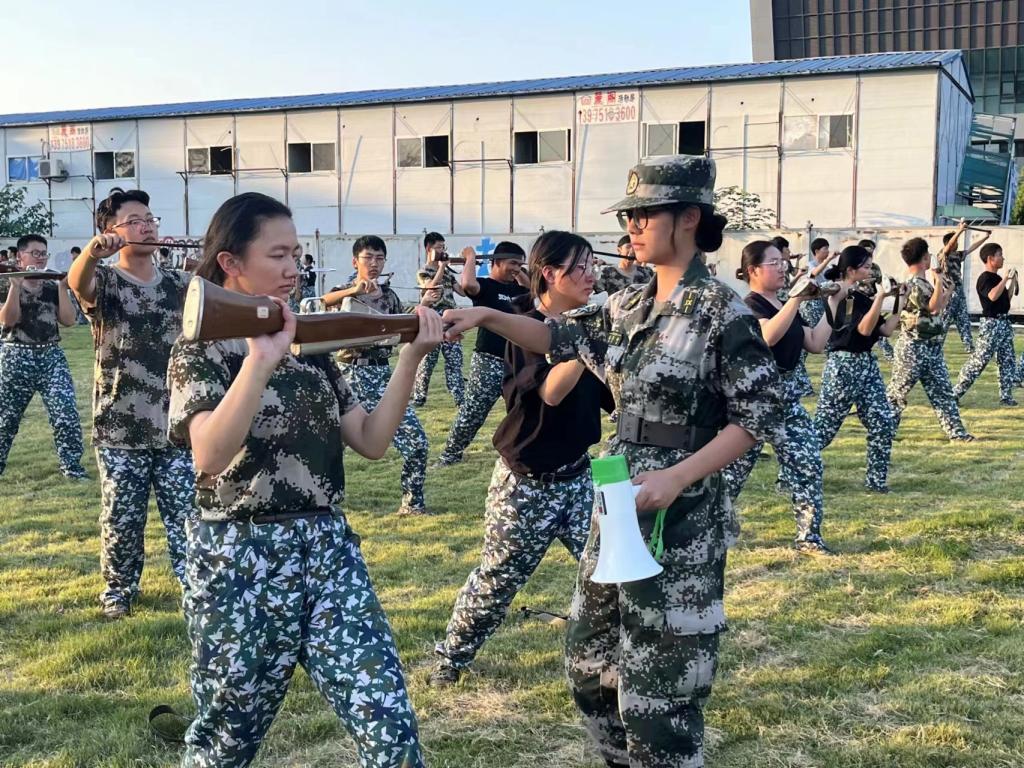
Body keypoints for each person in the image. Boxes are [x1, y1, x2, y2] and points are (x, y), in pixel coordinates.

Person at [442, 155, 783, 768]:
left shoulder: (721, 311)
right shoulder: (629, 304)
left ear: (688, 217)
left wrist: (678, 477)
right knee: (589, 665)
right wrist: (485, 315)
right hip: (617, 491)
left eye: (643, 213)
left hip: (680, 512)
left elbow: (757, 417)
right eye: (628, 215)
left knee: (659, 689)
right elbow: (556, 337)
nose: (631, 226)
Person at [168, 192, 438, 768]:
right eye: (278, 254)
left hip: (327, 549)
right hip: (240, 559)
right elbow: (209, 454)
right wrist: (259, 360)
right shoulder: (200, 350)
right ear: (231, 263)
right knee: (225, 743)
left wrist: (411, 356)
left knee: (388, 723)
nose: (294, 268)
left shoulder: (308, 345)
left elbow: (370, 440)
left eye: (296, 254)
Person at [430, 231, 613, 686]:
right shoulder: (525, 326)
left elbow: (617, 397)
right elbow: (550, 392)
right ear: (549, 274)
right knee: (497, 581)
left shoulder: (590, 323)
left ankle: (615, 657)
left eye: (593, 265)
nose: (591, 275)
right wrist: (584, 344)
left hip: (580, 477)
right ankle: (451, 659)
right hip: (526, 483)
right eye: (580, 267)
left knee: (612, 568)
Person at [67, 188, 194, 620]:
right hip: (120, 425)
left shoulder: (179, 284)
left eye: (150, 218)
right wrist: (93, 252)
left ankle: (195, 586)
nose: (147, 226)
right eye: (135, 220)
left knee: (187, 515)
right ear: (111, 231)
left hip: (176, 425)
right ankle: (118, 591)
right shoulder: (106, 282)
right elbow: (77, 282)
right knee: (122, 518)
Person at [724, 240, 833, 553]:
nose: (782, 268)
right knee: (730, 476)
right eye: (773, 263)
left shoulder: (784, 304)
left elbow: (815, 342)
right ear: (753, 270)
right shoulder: (747, 306)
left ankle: (809, 538)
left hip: (787, 404)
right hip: (752, 405)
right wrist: (796, 300)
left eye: (782, 262)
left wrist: (834, 304)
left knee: (808, 464)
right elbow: (768, 336)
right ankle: (709, 528)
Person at [322, 236, 431, 516]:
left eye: (379, 258)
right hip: (348, 377)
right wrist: (354, 290)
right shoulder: (343, 292)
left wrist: (424, 306)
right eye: (368, 257)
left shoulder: (389, 296)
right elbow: (322, 303)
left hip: (382, 376)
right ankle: (321, 502)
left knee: (416, 442)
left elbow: (403, 324)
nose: (374, 263)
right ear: (355, 261)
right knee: (328, 447)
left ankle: (413, 504)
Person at [813, 246, 903, 493]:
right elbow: (863, 330)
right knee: (823, 430)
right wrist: (881, 299)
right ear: (851, 270)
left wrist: (899, 301)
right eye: (866, 267)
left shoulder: (861, 297)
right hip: (843, 366)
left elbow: (885, 330)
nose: (870, 271)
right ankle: (789, 475)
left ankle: (876, 481)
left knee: (883, 422)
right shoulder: (839, 294)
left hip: (866, 364)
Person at [432, 241, 530, 468]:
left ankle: (523, 453)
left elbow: (534, 291)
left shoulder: (518, 290)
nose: (517, 268)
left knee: (526, 410)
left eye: (520, 264)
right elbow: (468, 284)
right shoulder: (486, 287)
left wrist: (519, 271)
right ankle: (450, 455)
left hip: (517, 361)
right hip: (488, 361)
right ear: (496, 262)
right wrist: (470, 257)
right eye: (513, 263)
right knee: (473, 412)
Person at [0, 234, 87, 479]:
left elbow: (68, 320)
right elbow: (8, 321)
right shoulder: (5, 283)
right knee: (5, 419)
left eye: (43, 254)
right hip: (16, 356)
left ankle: (72, 468)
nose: (40, 258)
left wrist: (62, 287)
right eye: (35, 253)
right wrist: (15, 287)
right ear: (20, 256)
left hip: (51, 356)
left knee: (66, 413)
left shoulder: (50, 286)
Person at [886, 237, 974, 442]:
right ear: (925, 258)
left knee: (943, 393)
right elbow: (933, 308)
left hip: (930, 347)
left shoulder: (922, 284)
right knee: (897, 394)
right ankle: (884, 430)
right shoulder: (914, 284)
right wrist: (938, 281)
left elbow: (937, 306)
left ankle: (957, 433)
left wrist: (947, 291)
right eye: (928, 256)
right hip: (913, 348)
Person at [953, 242, 1020, 406]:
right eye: (1000, 255)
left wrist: (1012, 282)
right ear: (990, 258)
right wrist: (1005, 278)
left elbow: (1006, 298)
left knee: (1007, 361)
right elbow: (992, 296)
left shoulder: (997, 279)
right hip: (991, 325)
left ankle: (1006, 396)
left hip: (1003, 323)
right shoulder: (985, 278)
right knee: (979, 361)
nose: (1003, 258)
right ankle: (954, 394)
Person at [412, 231, 466, 407]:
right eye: (439, 247)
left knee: (454, 361)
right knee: (427, 361)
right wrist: (442, 268)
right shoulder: (423, 271)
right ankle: (419, 397)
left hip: (450, 320)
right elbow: (431, 286)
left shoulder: (448, 273)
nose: (443, 251)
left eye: (444, 247)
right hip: (431, 319)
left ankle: (459, 397)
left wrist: (466, 268)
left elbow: (462, 292)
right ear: (429, 249)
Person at [939, 219, 989, 353]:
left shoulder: (957, 255)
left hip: (959, 292)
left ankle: (969, 347)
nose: (957, 244)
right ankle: (937, 346)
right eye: (956, 241)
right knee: (944, 321)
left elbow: (972, 248)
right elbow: (949, 245)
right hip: (948, 293)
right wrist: (960, 230)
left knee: (964, 321)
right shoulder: (943, 255)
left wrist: (985, 237)